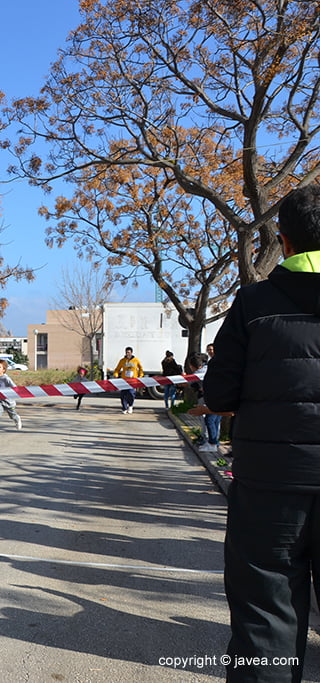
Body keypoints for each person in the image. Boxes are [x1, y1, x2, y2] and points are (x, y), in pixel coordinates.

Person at [204, 185, 320, 682]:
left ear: (284, 239)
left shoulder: (253, 304)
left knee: (265, 613)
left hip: (270, 483)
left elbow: (220, 394)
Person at [0, 358, 21, 442]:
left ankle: (17, 419)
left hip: (9, 402)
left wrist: (10, 392)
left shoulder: (6, 379)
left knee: (12, 416)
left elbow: (15, 388)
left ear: (4, 369)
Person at [112, 346, 143, 414]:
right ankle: (124, 408)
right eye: (126, 352)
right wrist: (116, 375)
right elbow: (117, 369)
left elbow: (141, 368)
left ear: (131, 353)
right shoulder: (122, 361)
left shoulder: (136, 360)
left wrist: (140, 376)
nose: (127, 354)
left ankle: (130, 406)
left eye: (129, 352)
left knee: (131, 393)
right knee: (123, 395)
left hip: (133, 380)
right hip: (124, 380)